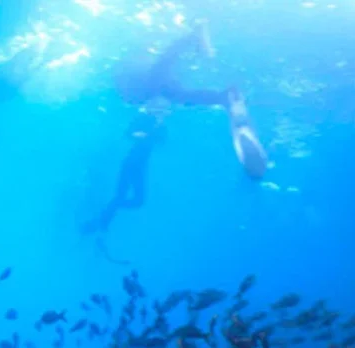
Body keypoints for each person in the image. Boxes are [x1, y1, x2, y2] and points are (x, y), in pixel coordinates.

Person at [114, 20, 268, 178]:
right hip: (146, 86)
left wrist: (192, 37)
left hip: (145, 82)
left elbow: (166, 59)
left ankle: (224, 97)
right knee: (179, 96)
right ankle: (225, 98)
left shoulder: (154, 84)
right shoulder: (164, 93)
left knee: (174, 92)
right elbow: (169, 68)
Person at [82, 107, 168, 237]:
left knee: (133, 200)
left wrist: (158, 126)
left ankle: (100, 221)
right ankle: (100, 223)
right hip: (131, 164)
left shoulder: (158, 126)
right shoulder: (144, 119)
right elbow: (129, 133)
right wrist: (144, 133)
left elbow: (162, 141)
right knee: (125, 198)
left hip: (138, 166)